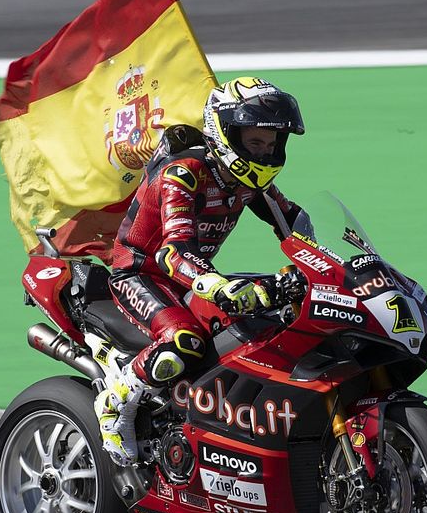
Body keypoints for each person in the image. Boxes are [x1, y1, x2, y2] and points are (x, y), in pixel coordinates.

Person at [95, 76, 308, 465]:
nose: (264, 153)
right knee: (184, 339)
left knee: (269, 319)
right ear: (226, 135)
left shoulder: (249, 182)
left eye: (271, 144)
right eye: (254, 143)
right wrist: (219, 285)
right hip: (142, 274)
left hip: (193, 276)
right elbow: (172, 253)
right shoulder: (184, 173)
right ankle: (116, 401)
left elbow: (294, 222)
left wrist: (326, 269)